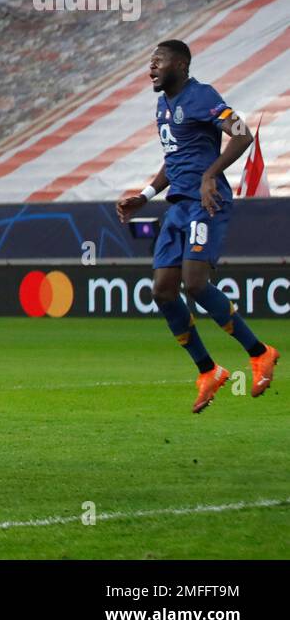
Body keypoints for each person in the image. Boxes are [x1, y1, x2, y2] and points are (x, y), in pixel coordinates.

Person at [116, 39, 278, 412]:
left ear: (181, 65)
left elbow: (242, 134)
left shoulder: (202, 96)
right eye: (150, 62)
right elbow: (173, 159)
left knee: (195, 283)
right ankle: (208, 370)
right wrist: (145, 194)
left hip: (206, 203)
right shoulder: (162, 106)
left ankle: (260, 352)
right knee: (163, 291)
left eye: (158, 61)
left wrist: (211, 174)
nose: (151, 67)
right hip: (176, 208)